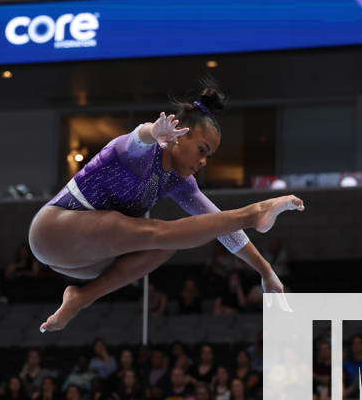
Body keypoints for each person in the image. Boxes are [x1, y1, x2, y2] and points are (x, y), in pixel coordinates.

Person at [29, 81, 302, 333]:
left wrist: (265, 271)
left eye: (209, 155)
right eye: (202, 150)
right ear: (179, 137)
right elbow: (137, 138)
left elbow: (220, 227)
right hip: (54, 231)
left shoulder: (181, 182)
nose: (204, 161)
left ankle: (81, 297)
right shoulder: (140, 152)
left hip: (84, 261)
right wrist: (152, 131)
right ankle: (252, 213)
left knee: (169, 243)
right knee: (155, 231)